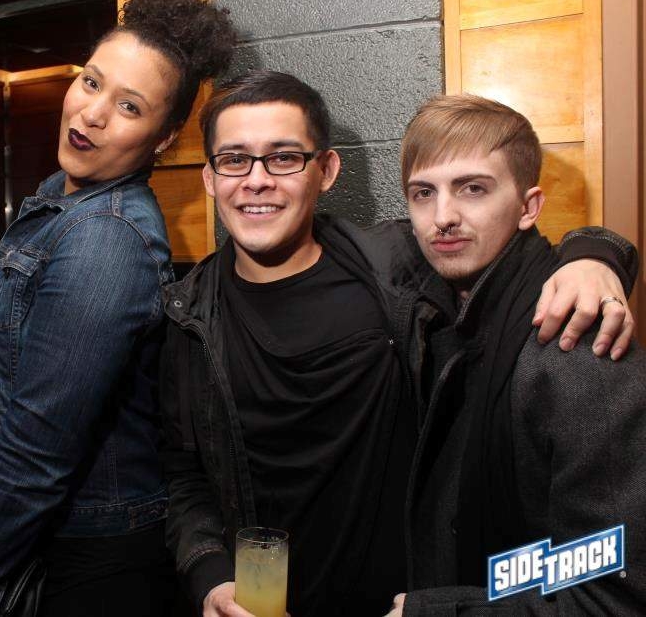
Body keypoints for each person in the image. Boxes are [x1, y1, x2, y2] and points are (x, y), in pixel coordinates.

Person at [159, 71, 636, 617]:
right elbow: (183, 472)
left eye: (284, 157)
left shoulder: (399, 271)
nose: (257, 180)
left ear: (326, 170)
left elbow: (505, 258)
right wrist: (210, 576)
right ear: (210, 177)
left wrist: (594, 256)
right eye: (234, 159)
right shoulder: (186, 313)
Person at [0, 0, 238, 616]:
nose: (91, 114)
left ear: (164, 137)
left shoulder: (106, 238)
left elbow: (36, 457)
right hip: (30, 536)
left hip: (80, 557)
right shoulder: (58, 199)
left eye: (130, 107)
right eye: (91, 82)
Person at [390, 94, 646, 614]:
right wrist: (599, 250)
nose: (443, 217)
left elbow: (610, 588)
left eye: (473, 189)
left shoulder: (575, 344)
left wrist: (438, 611)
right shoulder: (428, 308)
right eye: (423, 193)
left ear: (529, 207)